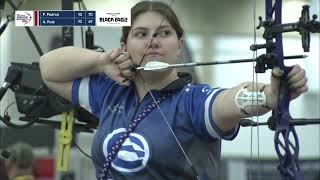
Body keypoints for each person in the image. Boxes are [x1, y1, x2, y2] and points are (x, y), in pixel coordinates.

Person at [39, 1, 308, 180]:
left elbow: (230, 100)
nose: (153, 41)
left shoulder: (193, 101)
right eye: (141, 34)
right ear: (125, 45)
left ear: (179, 45)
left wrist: (268, 96)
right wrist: (101, 61)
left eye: (163, 33)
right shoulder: (111, 92)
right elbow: (48, 68)